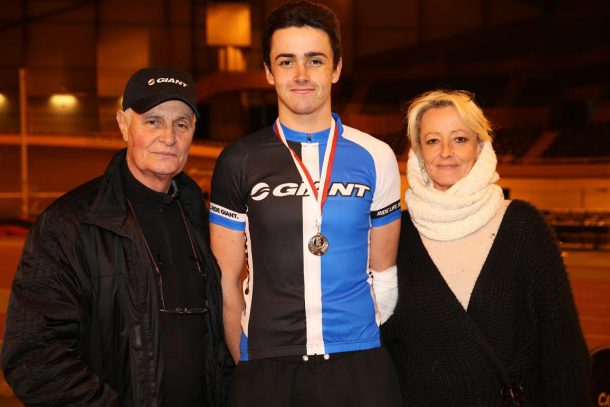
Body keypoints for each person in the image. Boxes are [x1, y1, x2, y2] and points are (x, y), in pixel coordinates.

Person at [209, 1, 403, 406]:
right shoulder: (238, 160)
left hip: (358, 366)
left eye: (315, 60)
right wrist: (248, 361)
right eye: (286, 61)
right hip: (267, 366)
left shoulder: (376, 155)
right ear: (268, 71)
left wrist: (355, 340)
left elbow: (384, 273)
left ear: (336, 68)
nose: (300, 75)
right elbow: (226, 283)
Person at [1, 66, 229, 406]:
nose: (169, 136)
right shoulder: (69, 224)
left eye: (181, 124)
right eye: (153, 121)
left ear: (193, 130)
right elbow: (34, 357)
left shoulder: (203, 220)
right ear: (123, 124)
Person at [382, 89, 592, 406]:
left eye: (460, 139)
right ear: (417, 153)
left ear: (480, 147)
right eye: (432, 140)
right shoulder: (395, 234)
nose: (446, 152)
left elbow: (561, 344)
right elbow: (383, 343)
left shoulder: (523, 226)